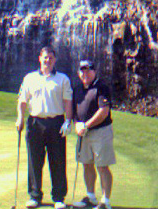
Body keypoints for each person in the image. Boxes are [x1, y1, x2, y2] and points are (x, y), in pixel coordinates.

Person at [16, 46, 73, 209]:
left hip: (56, 123)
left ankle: (59, 197)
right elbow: (22, 101)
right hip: (35, 123)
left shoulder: (63, 79)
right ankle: (35, 196)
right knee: (35, 161)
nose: (47, 60)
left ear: (55, 60)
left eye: (51, 58)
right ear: (40, 59)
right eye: (45, 57)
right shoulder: (30, 78)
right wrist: (20, 117)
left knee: (58, 160)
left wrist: (68, 121)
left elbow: (68, 101)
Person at [72, 60, 116, 209]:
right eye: (82, 71)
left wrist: (86, 125)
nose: (85, 74)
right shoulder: (77, 88)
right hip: (83, 132)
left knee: (102, 166)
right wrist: (77, 123)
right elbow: (74, 110)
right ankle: (90, 197)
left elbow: (103, 112)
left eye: (88, 70)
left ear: (94, 71)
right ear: (79, 73)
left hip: (100, 132)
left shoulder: (101, 87)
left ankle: (105, 201)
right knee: (87, 164)